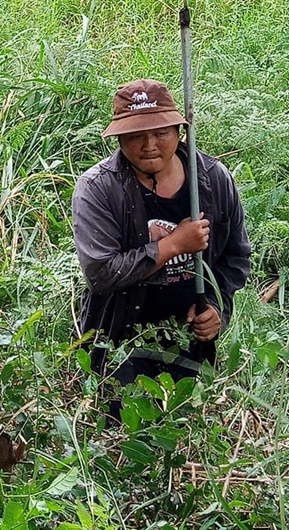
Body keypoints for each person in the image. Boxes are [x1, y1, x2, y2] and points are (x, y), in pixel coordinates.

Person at [72, 79, 250, 401]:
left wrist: (216, 307)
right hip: (118, 341)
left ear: (179, 132)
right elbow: (100, 273)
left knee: (192, 431)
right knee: (123, 436)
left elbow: (236, 257)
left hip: (188, 341)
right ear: (119, 138)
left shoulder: (213, 178)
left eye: (160, 133)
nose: (149, 145)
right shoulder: (97, 189)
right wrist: (174, 245)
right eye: (136, 135)